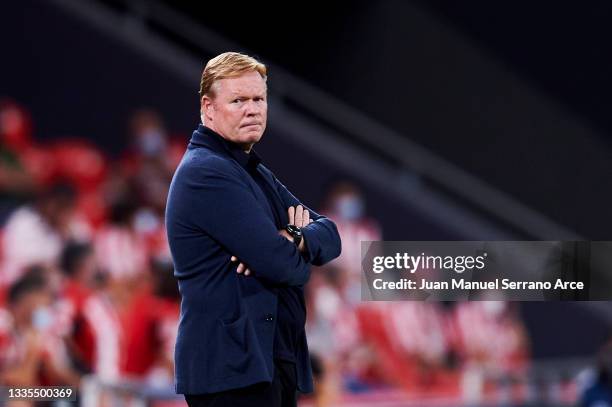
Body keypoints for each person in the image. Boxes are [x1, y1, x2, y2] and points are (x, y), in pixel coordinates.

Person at [165, 52, 341, 407]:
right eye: (238, 100)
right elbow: (282, 265)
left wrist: (292, 237)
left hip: (265, 363)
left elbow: (331, 235)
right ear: (208, 107)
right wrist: (289, 251)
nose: (252, 109)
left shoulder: (253, 171)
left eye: (259, 99)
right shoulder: (206, 172)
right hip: (231, 370)